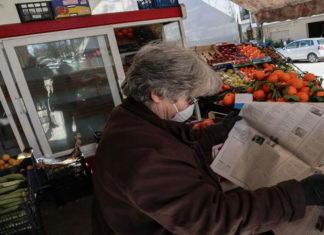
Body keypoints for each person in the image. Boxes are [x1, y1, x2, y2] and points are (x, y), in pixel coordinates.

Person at [92, 42, 324, 234]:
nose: (190, 106)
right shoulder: (144, 155)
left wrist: (221, 130)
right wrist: (300, 194)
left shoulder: (130, 117)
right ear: (157, 93)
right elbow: (213, 218)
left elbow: (172, 141)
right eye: (188, 99)